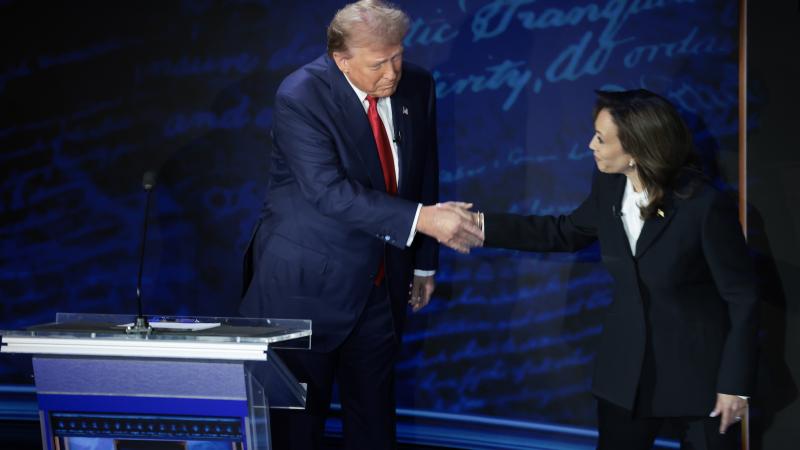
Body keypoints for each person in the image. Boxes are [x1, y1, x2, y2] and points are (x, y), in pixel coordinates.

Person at [239, 1, 482, 449]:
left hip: (380, 283)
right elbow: (327, 191)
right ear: (341, 59)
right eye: (378, 63)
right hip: (304, 289)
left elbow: (423, 172)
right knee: (297, 429)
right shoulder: (301, 95)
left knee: (373, 423)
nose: (392, 72)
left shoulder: (418, 84)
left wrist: (423, 265)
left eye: (398, 56)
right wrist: (424, 220)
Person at [469, 89, 758, 450]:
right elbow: (563, 232)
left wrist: (734, 383)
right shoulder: (608, 185)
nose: (591, 144)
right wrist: (479, 226)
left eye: (601, 139)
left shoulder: (703, 206)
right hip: (626, 376)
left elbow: (743, 297)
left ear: (637, 151)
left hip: (700, 380)